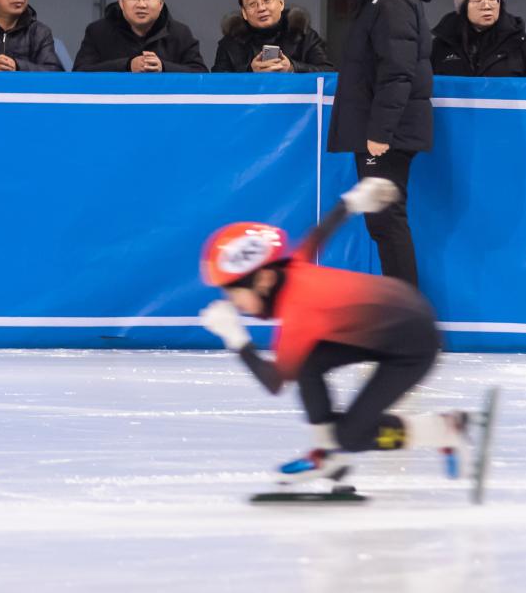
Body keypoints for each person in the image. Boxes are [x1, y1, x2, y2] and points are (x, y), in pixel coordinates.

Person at [196, 177, 471, 485]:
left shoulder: (300, 311)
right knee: (307, 365)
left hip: (414, 343)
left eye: (232, 294)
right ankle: (327, 454)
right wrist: (351, 202)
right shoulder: (290, 267)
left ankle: (442, 429)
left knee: (351, 436)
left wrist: (236, 338)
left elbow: (273, 382)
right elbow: (317, 236)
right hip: (389, 322)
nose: (232, 304)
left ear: (263, 281)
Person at [327, 0, 433, 287]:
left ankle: (404, 319)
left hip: (386, 134)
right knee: (382, 222)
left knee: (387, 221)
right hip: (382, 129)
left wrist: (380, 132)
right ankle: (400, 315)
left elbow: (398, 71)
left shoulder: (393, 1)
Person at [73, 0, 206, 72]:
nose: (141, 4)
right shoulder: (98, 32)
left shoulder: (180, 33)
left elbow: (201, 74)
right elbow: (80, 73)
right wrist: (128, 65)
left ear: (160, 3)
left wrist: (163, 67)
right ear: (121, 2)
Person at [213, 0, 333, 73]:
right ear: (244, 13)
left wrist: (292, 68)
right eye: (252, 4)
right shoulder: (230, 43)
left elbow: (329, 73)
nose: (261, 8)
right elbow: (217, 84)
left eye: (266, 0)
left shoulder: (303, 35)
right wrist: (251, 73)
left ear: (281, 3)